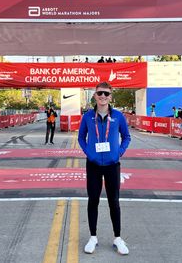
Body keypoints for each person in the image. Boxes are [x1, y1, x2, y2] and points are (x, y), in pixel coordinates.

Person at [78, 82, 131, 255]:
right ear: (94, 95)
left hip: (112, 165)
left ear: (110, 97)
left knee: (113, 201)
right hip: (93, 165)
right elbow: (81, 138)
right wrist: (89, 153)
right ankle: (93, 237)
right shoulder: (87, 117)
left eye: (106, 94)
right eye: (99, 93)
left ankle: (117, 238)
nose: (103, 96)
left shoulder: (118, 116)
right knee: (93, 200)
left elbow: (126, 137)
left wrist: (119, 152)